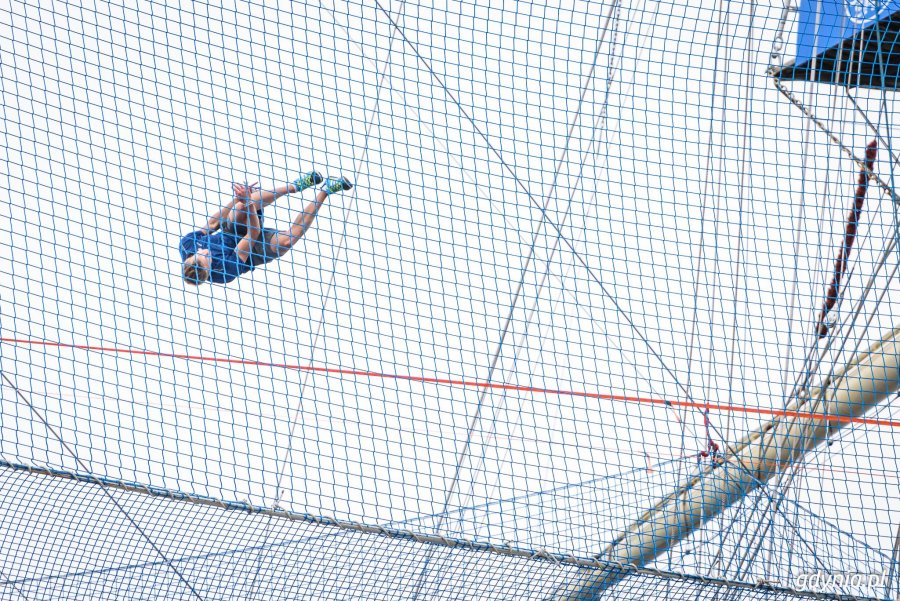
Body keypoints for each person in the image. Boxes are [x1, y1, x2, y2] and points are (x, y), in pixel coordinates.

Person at [179, 171, 352, 285]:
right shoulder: (225, 272)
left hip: (230, 231)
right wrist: (249, 203)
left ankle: (294, 186)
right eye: (206, 259)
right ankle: (326, 190)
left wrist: (239, 198)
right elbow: (253, 233)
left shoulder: (187, 245)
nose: (206, 252)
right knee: (286, 242)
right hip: (252, 251)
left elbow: (213, 223)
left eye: (200, 254)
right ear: (209, 271)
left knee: (240, 208)